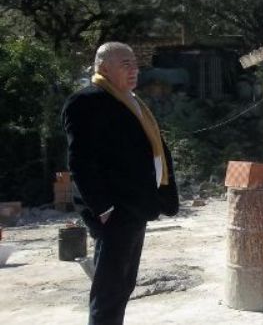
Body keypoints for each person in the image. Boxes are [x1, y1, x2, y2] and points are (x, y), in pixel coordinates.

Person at [62, 42, 179, 325]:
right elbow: (81, 162)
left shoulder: (129, 100)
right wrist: (103, 208)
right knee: (109, 289)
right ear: (103, 67)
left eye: (135, 64)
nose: (134, 70)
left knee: (123, 284)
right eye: (125, 64)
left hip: (135, 206)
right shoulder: (87, 102)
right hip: (114, 210)